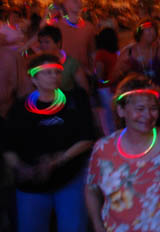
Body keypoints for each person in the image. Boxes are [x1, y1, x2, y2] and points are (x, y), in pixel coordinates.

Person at [85, 74, 160, 232]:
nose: (148, 115)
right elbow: (91, 189)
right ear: (121, 110)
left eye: (153, 108)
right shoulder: (103, 148)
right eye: (140, 109)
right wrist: (97, 225)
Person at [4, 53, 94, 232]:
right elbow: (8, 145)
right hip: (31, 184)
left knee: (72, 227)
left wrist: (57, 161)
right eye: (47, 72)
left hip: (69, 178)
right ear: (34, 79)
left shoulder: (75, 100)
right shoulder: (20, 108)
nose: (54, 76)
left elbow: (86, 138)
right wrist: (21, 168)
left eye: (57, 72)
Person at [113, 19, 160, 125]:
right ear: (139, 32)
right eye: (147, 29)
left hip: (156, 97)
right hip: (135, 100)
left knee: (157, 125)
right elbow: (115, 76)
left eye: (153, 29)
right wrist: (124, 71)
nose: (151, 32)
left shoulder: (159, 51)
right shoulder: (128, 53)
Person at [36, 25, 89, 94]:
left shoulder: (70, 63)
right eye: (40, 42)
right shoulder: (38, 63)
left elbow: (84, 89)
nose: (42, 45)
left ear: (58, 44)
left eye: (47, 42)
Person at [54, 0, 96, 73]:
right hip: (63, 72)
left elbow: (92, 52)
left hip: (83, 71)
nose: (77, 0)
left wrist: (92, 70)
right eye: (74, 0)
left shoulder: (88, 27)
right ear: (66, 5)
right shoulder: (57, 26)